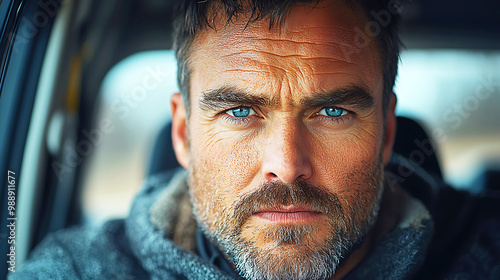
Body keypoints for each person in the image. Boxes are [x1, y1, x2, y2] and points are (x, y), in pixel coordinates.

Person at [11, 0, 500, 279]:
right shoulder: (77, 271)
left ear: (388, 133)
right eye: (240, 111)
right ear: (183, 133)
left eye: (332, 111)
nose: (286, 165)